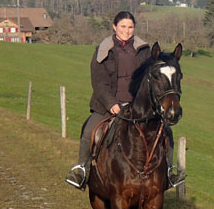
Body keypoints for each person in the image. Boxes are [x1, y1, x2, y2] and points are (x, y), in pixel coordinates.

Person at [65, 11, 185, 190]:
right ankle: (82, 169)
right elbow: (99, 82)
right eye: (123, 26)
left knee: (166, 132)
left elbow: (152, 77)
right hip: (108, 105)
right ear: (114, 27)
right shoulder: (103, 50)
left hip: (137, 105)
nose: (127, 31)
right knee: (90, 130)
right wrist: (111, 104)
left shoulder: (144, 50)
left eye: (130, 27)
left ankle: (169, 172)